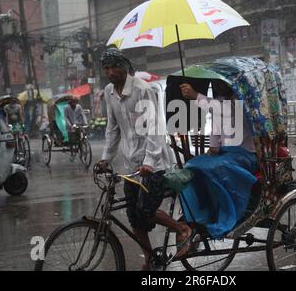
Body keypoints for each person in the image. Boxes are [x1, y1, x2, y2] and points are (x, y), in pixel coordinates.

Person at [97, 47, 192, 270]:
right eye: (106, 68)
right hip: (131, 165)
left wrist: (150, 160)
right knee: (133, 217)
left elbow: (155, 128)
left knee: (146, 211)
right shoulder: (109, 92)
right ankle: (150, 258)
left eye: (114, 67)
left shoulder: (142, 89)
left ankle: (182, 229)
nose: (110, 72)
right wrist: (105, 159)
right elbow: (112, 129)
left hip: (154, 163)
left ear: (124, 67)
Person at [179, 81, 258, 239]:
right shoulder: (220, 100)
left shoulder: (241, 100)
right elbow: (216, 125)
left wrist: (196, 96)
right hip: (224, 153)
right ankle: (203, 213)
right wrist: (214, 146)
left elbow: (224, 111)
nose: (219, 86)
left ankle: (227, 213)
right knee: (192, 165)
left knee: (219, 168)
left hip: (243, 154)